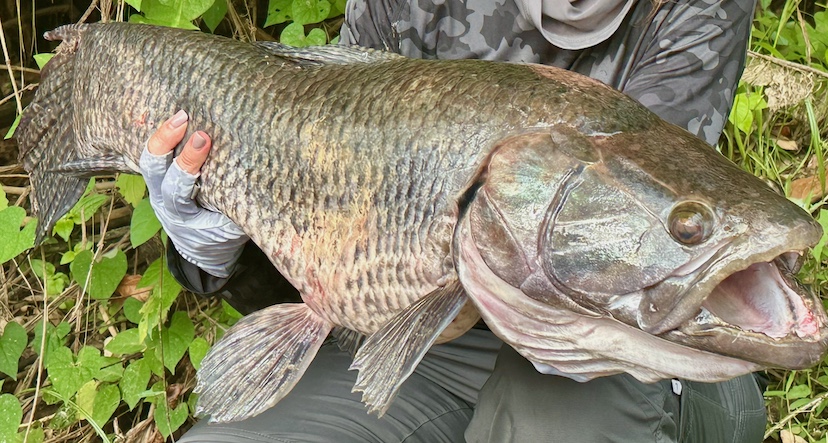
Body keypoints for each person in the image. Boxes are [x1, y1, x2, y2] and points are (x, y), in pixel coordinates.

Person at [140, 0, 767, 441]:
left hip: (626, 348)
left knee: (550, 427)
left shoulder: (694, 9)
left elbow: (658, 245)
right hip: (426, 327)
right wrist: (222, 245)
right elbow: (340, 239)